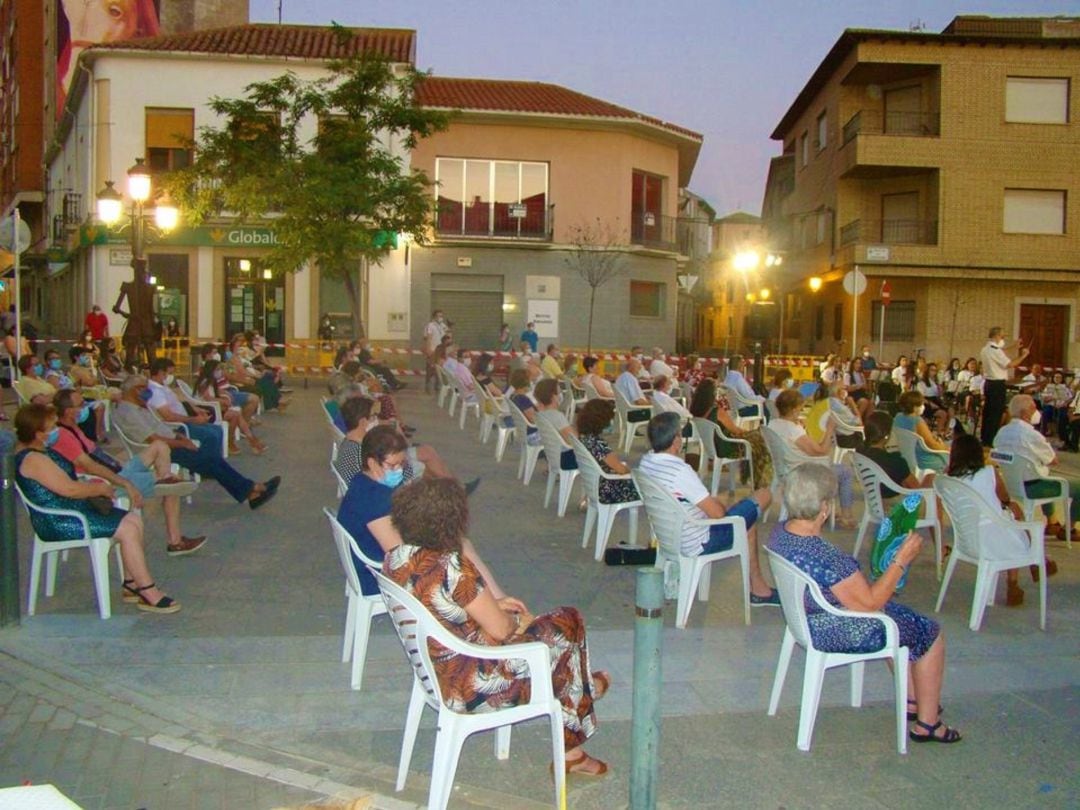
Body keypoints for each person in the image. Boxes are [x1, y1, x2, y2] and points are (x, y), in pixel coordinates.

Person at [384, 476, 610, 776]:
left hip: (439, 670)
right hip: (475, 684)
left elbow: (440, 604)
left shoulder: (397, 559)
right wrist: (520, 619)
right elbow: (503, 630)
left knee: (557, 641)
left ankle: (581, 698)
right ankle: (577, 719)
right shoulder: (453, 566)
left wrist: (492, 605)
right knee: (567, 622)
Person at [768, 464, 960, 743]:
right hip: (833, 625)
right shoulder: (828, 557)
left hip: (806, 615)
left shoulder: (781, 532)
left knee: (900, 619)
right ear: (824, 507)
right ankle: (929, 724)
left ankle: (911, 699)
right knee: (929, 633)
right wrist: (900, 560)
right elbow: (870, 604)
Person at [14, 402, 180, 614]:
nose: (56, 430)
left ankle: (131, 583)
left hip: (72, 511)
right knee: (127, 529)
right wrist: (99, 490)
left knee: (133, 519)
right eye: (52, 427)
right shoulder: (34, 459)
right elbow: (69, 490)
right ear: (38, 434)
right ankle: (148, 590)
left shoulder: (39, 451)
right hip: (61, 520)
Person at [639, 412, 780, 605]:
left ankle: (758, 587)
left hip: (668, 536)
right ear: (676, 441)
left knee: (746, 522)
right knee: (763, 496)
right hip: (697, 541)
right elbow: (717, 514)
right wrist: (720, 505)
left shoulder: (646, 463)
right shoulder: (679, 471)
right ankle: (758, 589)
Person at [51, 388, 206, 557]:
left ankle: (164, 479)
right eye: (81, 405)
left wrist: (121, 464)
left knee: (160, 447)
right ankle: (175, 541)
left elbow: (98, 454)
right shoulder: (63, 436)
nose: (86, 407)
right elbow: (91, 467)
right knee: (174, 485)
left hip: (117, 469)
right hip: (106, 481)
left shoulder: (75, 428)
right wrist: (124, 482)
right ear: (68, 411)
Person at [113, 375, 280, 510]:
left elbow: (162, 428)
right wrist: (183, 444)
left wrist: (181, 438)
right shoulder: (128, 412)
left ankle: (250, 491)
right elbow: (152, 439)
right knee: (211, 460)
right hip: (159, 452)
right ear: (134, 390)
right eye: (144, 388)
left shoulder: (141, 407)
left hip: (171, 441)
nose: (147, 392)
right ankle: (253, 489)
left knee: (211, 459)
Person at [946, 432, 1056, 607]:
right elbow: (1004, 498)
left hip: (967, 538)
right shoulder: (988, 472)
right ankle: (1023, 573)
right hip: (994, 540)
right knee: (1014, 513)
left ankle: (1034, 563)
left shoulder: (947, 480)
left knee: (1012, 516)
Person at [993, 394, 1080, 539]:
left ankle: (1052, 522)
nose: (1036, 411)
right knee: (1075, 485)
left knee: (1043, 474)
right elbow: (1052, 459)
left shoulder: (1001, 432)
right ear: (1025, 413)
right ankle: (1068, 529)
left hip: (1011, 484)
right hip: (1032, 488)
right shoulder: (1031, 435)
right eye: (1033, 408)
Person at [770, 389, 856, 527]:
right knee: (845, 472)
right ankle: (847, 515)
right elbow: (822, 451)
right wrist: (829, 429)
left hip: (786, 467)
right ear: (794, 409)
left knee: (840, 469)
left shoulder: (773, 424)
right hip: (804, 471)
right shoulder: (793, 430)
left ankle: (823, 511)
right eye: (800, 408)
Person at [689, 377, 771, 489]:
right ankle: (757, 478)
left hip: (713, 446)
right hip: (726, 447)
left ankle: (750, 476)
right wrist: (749, 432)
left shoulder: (696, 412)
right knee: (758, 440)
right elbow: (736, 430)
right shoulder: (718, 412)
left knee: (755, 439)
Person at [146, 358, 229, 452]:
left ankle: (214, 460)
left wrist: (195, 409)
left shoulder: (162, 386)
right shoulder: (155, 392)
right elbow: (168, 416)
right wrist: (194, 420)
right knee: (212, 435)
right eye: (170, 373)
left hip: (185, 418)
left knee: (217, 430)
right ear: (161, 372)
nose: (171, 376)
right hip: (178, 426)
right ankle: (208, 460)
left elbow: (177, 402)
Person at [194, 359, 266, 455]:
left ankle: (251, 440)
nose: (220, 372)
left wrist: (225, 394)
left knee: (237, 414)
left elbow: (216, 392)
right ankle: (238, 441)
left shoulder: (211, 381)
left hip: (215, 408)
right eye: (218, 369)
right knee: (235, 415)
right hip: (209, 411)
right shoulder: (204, 382)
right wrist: (223, 401)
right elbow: (208, 398)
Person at [857, 411, 934, 498]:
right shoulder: (895, 460)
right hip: (896, 507)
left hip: (873, 500)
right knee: (931, 478)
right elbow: (917, 490)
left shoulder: (860, 450)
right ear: (887, 436)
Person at [576, 399, 639, 504]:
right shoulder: (598, 444)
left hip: (594, 485)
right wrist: (633, 473)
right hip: (608, 490)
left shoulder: (584, 439)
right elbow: (621, 470)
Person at [980, 326, 1029, 446]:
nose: (1003, 338)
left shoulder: (986, 349)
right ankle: (991, 440)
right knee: (996, 413)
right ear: (996, 336)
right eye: (1002, 336)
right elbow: (1011, 364)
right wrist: (1024, 356)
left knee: (988, 412)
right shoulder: (995, 351)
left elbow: (1002, 351)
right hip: (997, 384)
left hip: (989, 384)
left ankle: (985, 437)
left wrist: (1014, 347)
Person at [893, 391, 950, 474]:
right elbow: (932, 445)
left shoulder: (898, 417)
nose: (923, 407)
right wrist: (946, 448)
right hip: (923, 460)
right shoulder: (917, 421)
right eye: (922, 404)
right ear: (915, 407)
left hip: (906, 455)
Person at [534, 378, 577, 471]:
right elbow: (572, 440)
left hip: (551, 456)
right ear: (553, 397)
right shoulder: (557, 417)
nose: (561, 395)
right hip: (566, 459)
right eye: (559, 392)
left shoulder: (540, 415)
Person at [614, 358, 651, 424]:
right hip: (633, 412)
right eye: (638, 367)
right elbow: (638, 401)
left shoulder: (622, 377)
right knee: (661, 412)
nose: (639, 369)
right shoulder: (630, 378)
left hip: (623, 411)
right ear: (630, 367)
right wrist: (654, 403)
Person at [916, 363, 950, 434]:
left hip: (935, 400)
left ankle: (945, 431)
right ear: (927, 371)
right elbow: (921, 397)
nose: (934, 372)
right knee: (942, 413)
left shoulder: (935, 382)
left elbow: (939, 396)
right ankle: (939, 432)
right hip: (926, 402)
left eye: (935, 370)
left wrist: (941, 391)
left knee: (951, 411)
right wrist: (930, 403)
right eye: (932, 370)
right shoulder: (922, 383)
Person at [1040, 371, 1072, 439]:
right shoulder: (1048, 387)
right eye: (1056, 377)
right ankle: (1044, 432)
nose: (1057, 379)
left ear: (1062, 379)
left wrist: (1065, 403)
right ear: (1053, 378)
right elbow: (1044, 399)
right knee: (1046, 412)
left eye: (1059, 377)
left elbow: (1070, 398)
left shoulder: (1065, 388)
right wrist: (1050, 398)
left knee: (1062, 415)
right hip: (1051, 405)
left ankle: (1061, 435)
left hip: (1061, 405)